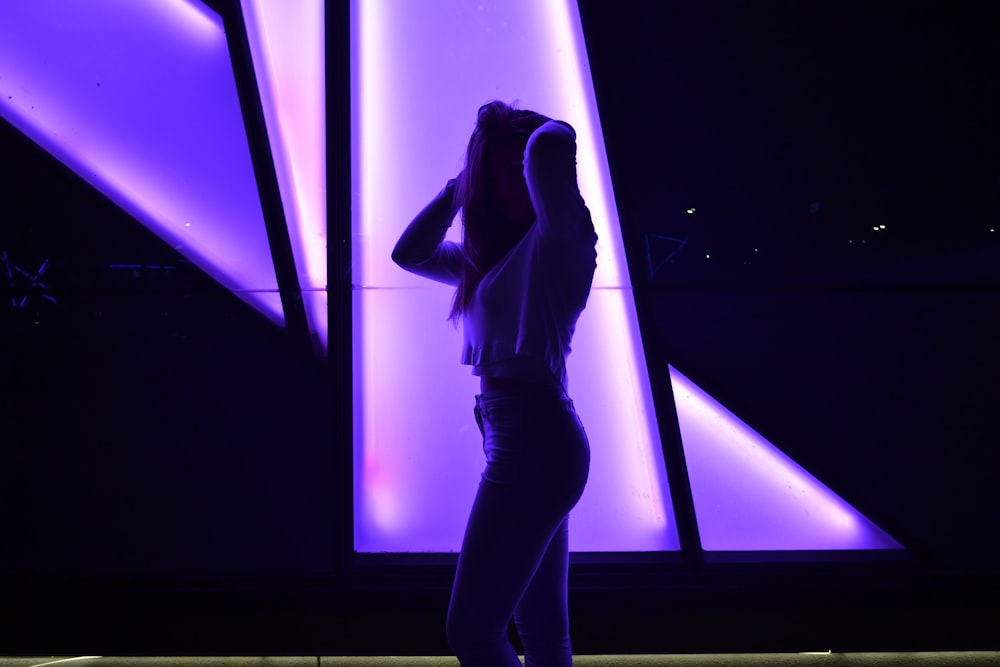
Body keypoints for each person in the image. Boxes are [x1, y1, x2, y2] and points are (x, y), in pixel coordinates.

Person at [392, 100, 598, 667]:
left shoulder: (563, 244)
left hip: (536, 439)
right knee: (543, 636)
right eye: (499, 176)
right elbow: (407, 254)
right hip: (523, 437)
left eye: (519, 172)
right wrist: (461, 186)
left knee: (472, 633)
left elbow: (553, 146)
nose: (514, 186)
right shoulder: (484, 261)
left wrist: (505, 127)